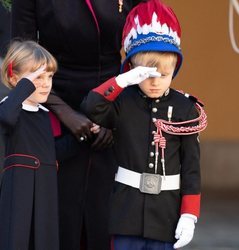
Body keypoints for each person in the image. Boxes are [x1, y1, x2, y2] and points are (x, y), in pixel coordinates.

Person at [11, 1, 142, 249]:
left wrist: (116, 117)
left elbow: (146, 54)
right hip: (50, 100)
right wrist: (63, 111)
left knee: (105, 222)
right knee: (58, 220)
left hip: (116, 99)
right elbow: (21, 53)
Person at [83, 0, 208, 249]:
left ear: (175, 69)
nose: (155, 82)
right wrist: (121, 80)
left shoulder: (185, 109)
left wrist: (189, 215)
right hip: (125, 214)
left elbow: (191, 169)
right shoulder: (123, 102)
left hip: (166, 215)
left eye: (164, 74)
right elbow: (91, 107)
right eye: (147, 74)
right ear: (133, 69)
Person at [0, 40, 59, 250]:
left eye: (49, 76)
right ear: (15, 78)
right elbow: (6, 117)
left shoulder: (46, 116)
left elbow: (53, 151)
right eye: (37, 77)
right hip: (19, 193)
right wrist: (24, 87)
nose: (45, 83)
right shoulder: (9, 109)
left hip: (46, 193)